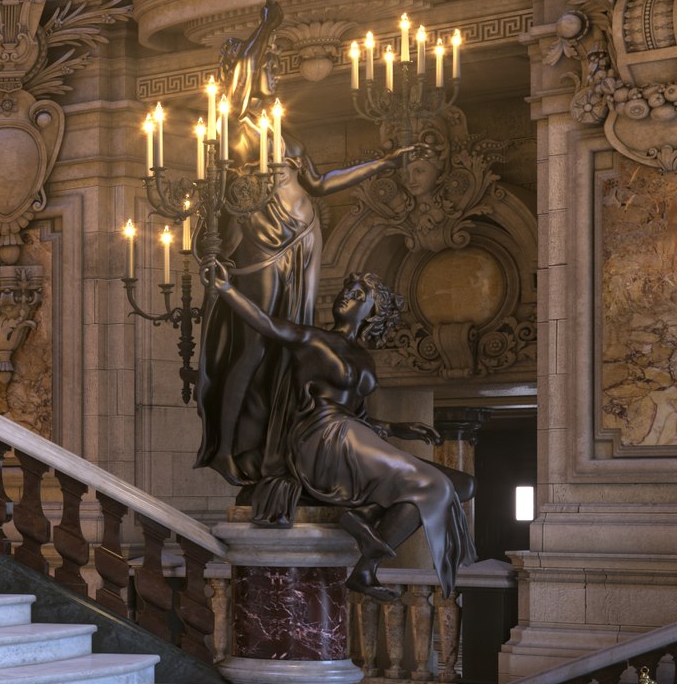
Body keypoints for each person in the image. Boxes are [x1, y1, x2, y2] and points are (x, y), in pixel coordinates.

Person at [204, 260, 476, 600]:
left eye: (358, 294)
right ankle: (366, 547)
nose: (348, 295)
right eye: (348, 289)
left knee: (462, 485)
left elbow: (356, 414)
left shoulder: (364, 358)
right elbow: (265, 324)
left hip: (351, 435)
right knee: (431, 483)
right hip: (319, 439)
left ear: (372, 311)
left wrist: (395, 427)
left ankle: (362, 540)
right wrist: (226, 289)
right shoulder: (312, 339)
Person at [194, 123, 415, 528]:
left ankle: (279, 441)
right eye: (268, 61)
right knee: (257, 344)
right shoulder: (231, 131)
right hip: (264, 237)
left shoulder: (288, 132)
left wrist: (381, 164)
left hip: (305, 236)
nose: (274, 67)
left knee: (292, 344)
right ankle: (226, 447)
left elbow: (319, 182)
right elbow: (218, 197)